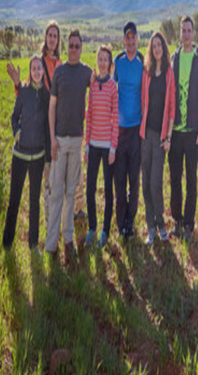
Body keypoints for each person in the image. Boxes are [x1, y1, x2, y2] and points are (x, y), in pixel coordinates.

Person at [6, 20, 62, 228]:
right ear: (45, 38)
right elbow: (29, 92)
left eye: (56, 36)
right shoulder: (40, 61)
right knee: (43, 182)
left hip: (54, 124)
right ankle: (47, 229)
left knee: (54, 178)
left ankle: (53, 226)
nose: (52, 39)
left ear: (58, 40)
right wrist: (17, 85)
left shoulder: (61, 64)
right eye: (49, 35)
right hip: (37, 128)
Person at [47, 30, 93, 264]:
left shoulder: (86, 72)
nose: (74, 49)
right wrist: (52, 138)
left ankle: (67, 239)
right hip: (60, 140)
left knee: (70, 193)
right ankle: (50, 243)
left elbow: (102, 85)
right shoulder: (60, 72)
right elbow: (52, 106)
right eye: (71, 46)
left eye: (77, 46)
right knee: (56, 193)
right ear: (66, 48)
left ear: (81, 48)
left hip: (77, 141)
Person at [2, 55, 50, 252]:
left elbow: (48, 128)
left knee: (34, 203)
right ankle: (7, 242)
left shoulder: (47, 96)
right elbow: (14, 117)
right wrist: (17, 132)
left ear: (43, 71)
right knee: (14, 200)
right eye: (34, 68)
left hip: (38, 156)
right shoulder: (23, 92)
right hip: (20, 155)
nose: (37, 71)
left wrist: (47, 159)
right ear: (30, 72)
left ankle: (33, 244)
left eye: (40, 68)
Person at [169, 15, 198, 242]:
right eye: (182, 30)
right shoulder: (172, 59)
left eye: (188, 30)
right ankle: (177, 220)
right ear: (179, 33)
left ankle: (189, 225)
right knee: (175, 178)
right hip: (175, 132)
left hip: (193, 132)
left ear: (193, 33)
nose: (185, 34)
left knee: (191, 179)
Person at [140, 31, 176, 246]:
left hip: (161, 136)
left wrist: (168, 137)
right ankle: (150, 227)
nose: (157, 49)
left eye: (159, 45)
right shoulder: (147, 73)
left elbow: (171, 109)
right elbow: (144, 103)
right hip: (146, 135)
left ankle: (161, 222)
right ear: (151, 50)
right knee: (145, 183)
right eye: (153, 46)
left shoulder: (169, 74)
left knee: (155, 182)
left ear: (163, 47)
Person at [83, 45, 118, 249]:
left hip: (107, 148)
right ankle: (92, 227)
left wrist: (113, 148)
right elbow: (89, 116)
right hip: (93, 145)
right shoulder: (93, 85)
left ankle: (105, 230)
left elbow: (116, 117)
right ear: (97, 61)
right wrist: (87, 145)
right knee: (90, 188)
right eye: (100, 59)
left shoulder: (113, 86)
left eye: (106, 59)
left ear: (110, 63)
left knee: (107, 189)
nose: (103, 62)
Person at [113, 21, 144, 239]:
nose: (131, 42)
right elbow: (112, 90)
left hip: (136, 131)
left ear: (137, 39)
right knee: (119, 181)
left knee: (134, 180)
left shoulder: (143, 62)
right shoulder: (118, 62)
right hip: (119, 131)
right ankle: (120, 223)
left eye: (134, 38)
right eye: (128, 38)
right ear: (124, 39)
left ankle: (130, 223)